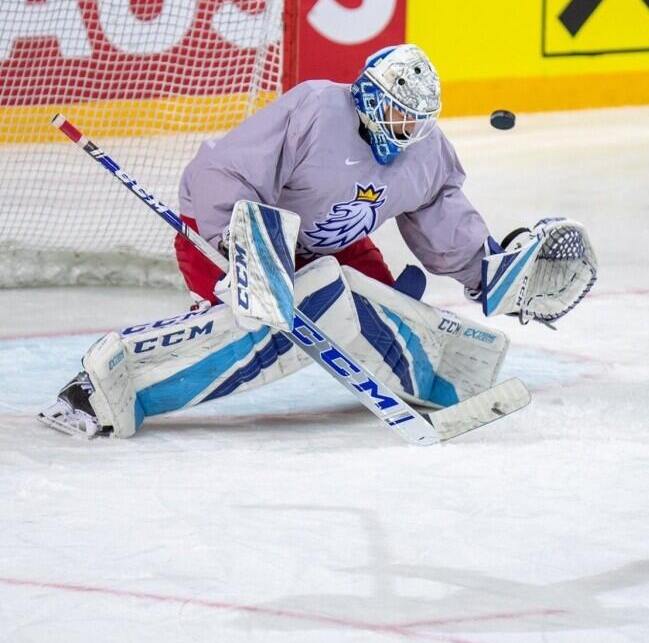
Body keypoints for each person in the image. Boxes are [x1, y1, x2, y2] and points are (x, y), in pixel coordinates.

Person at [38, 44, 596, 439]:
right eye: (400, 113)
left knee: (378, 307)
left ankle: (430, 368)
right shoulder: (315, 109)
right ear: (370, 97)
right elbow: (224, 172)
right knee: (255, 329)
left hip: (329, 247)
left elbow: (440, 212)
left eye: (418, 119)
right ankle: (103, 385)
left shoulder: (426, 152)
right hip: (240, 232)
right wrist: (242, 250)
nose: (409, 129)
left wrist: (486, 272)